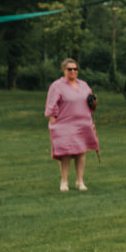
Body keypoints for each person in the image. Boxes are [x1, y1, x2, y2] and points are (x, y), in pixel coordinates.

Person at [44, 58, 98, 192]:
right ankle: (64, 181)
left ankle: (80, 181)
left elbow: (90, 104)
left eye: (75, 69)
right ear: (64, 70)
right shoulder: (57, 86)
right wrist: (53, 123)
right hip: (64, 123)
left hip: (83, 123)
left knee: (81, 152)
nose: (73, 71)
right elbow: (51, 105)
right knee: (66, 152)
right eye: (70, 69)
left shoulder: (84, 85)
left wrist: (93, 105)